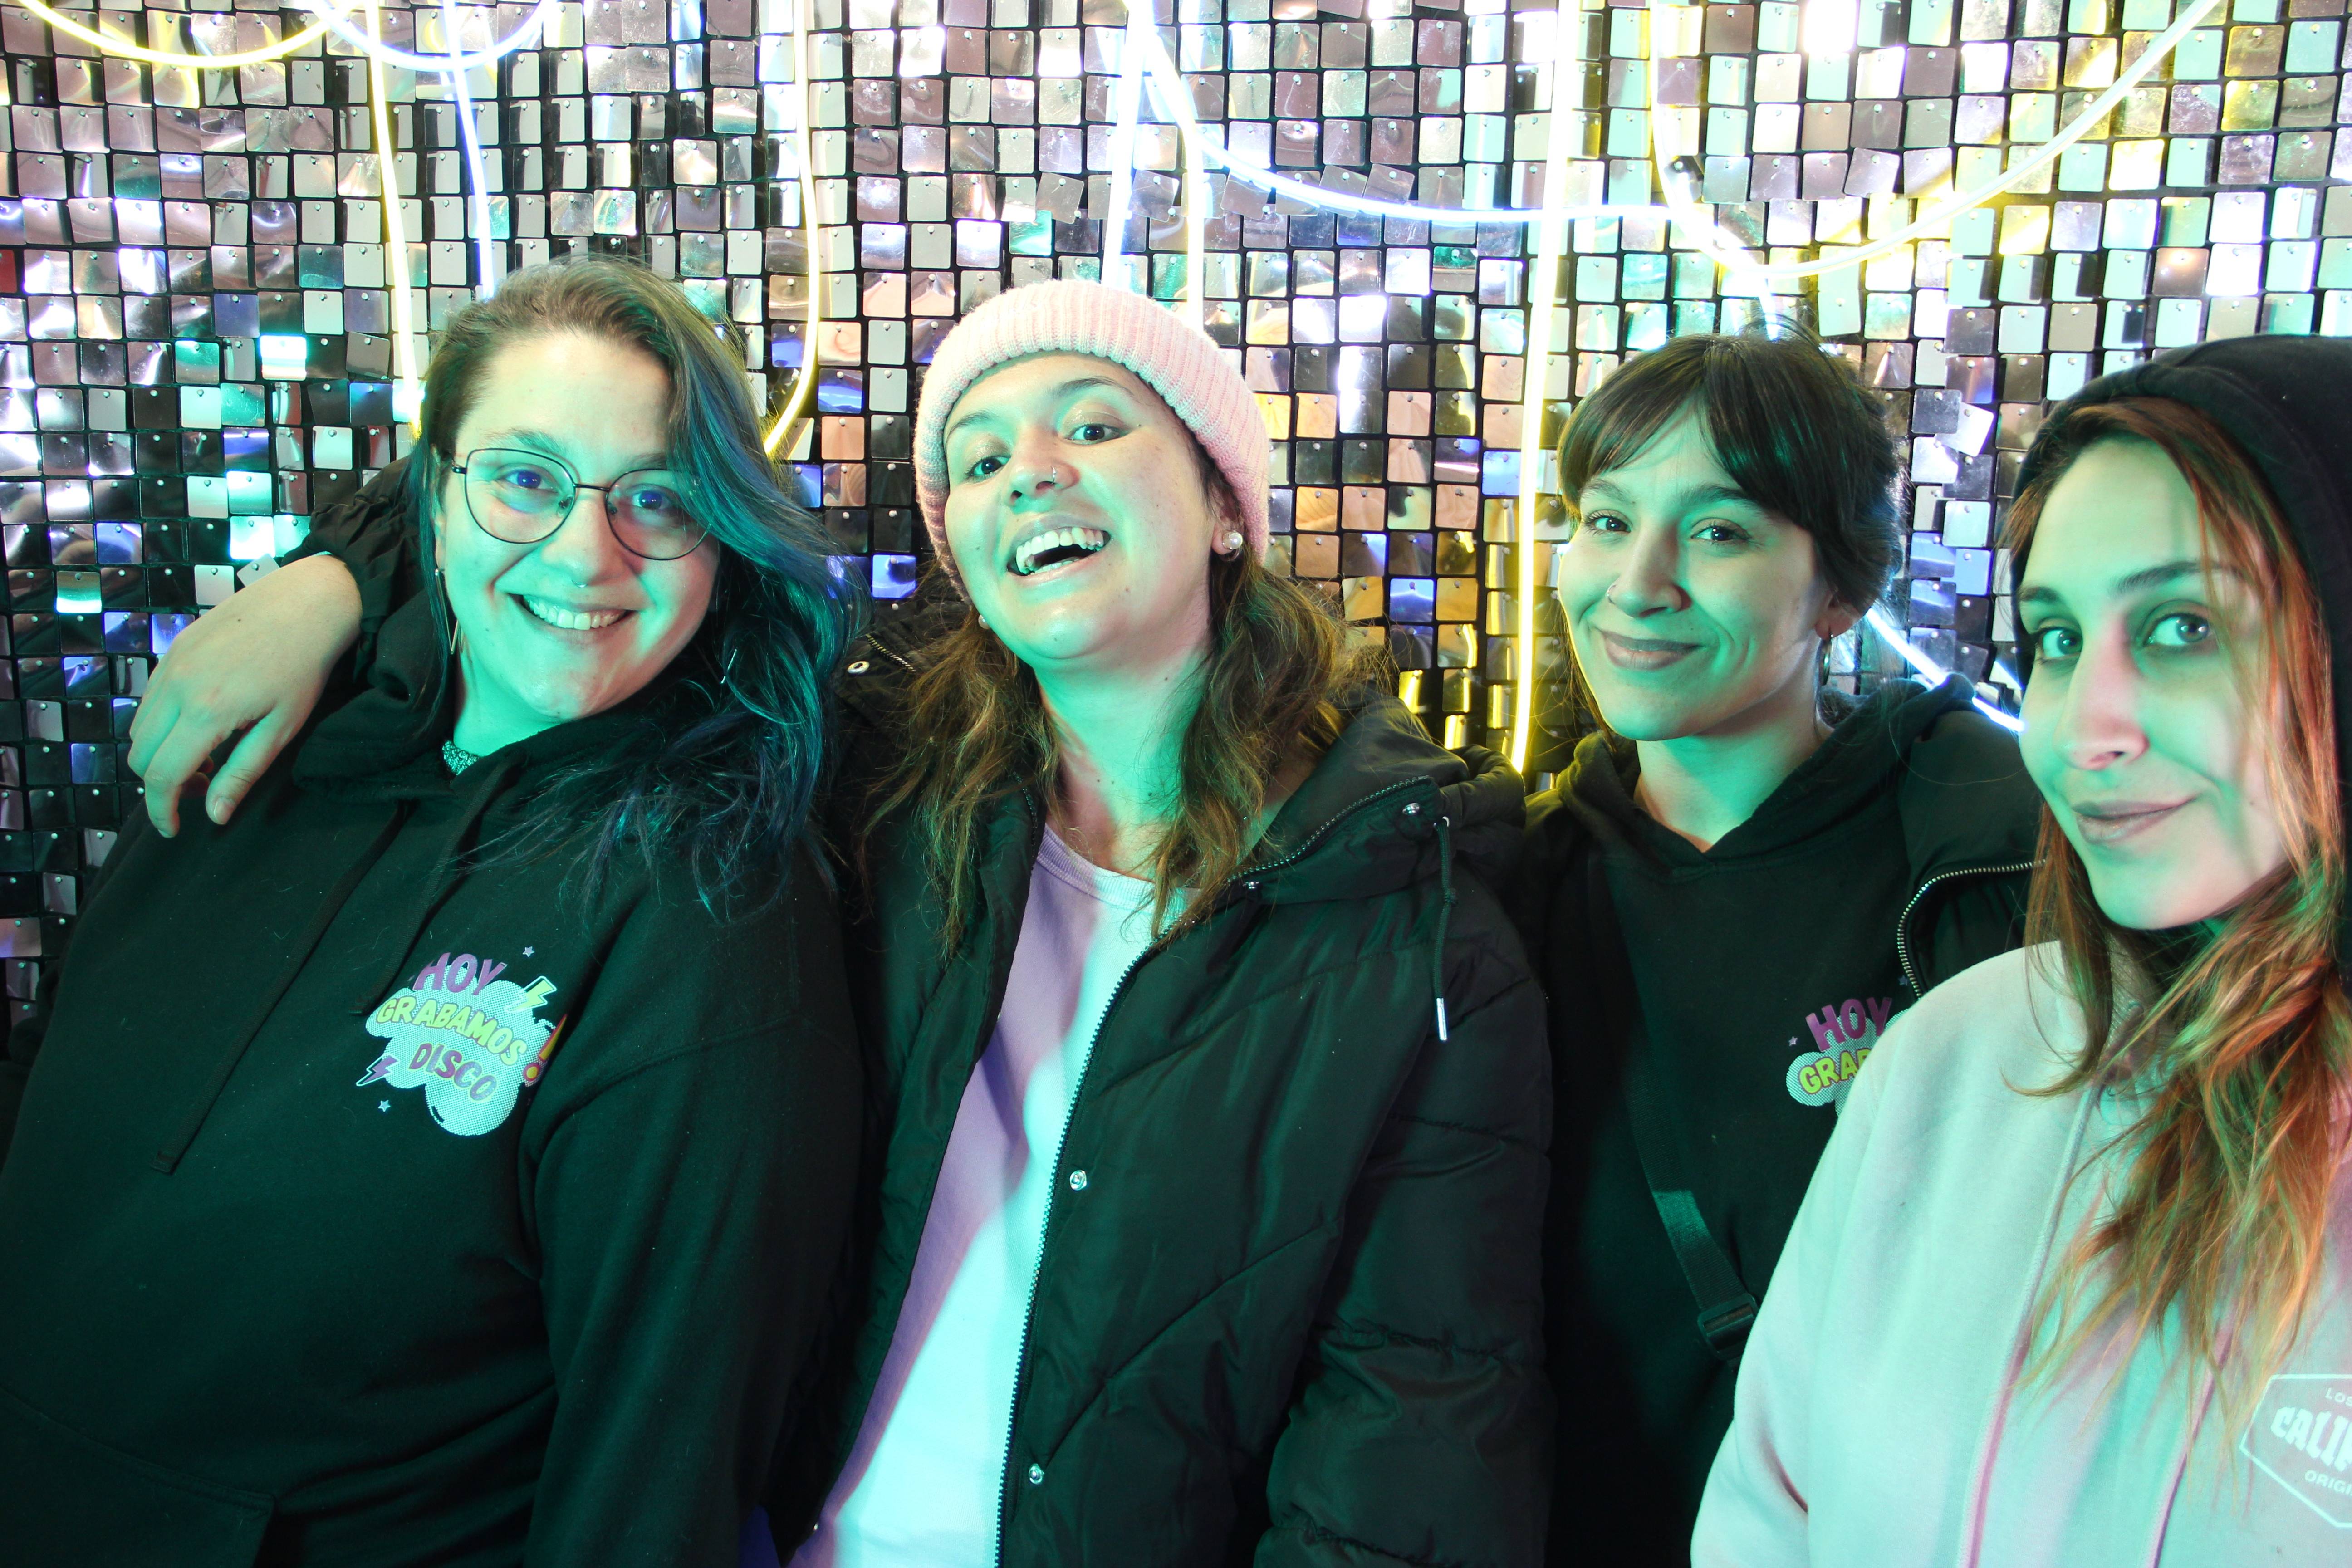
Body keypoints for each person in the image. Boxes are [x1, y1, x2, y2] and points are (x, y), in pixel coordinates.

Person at [123, 279, 1555, 1566]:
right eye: (978, 460)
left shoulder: (1409, 930)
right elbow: (558, 524)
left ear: (1228, 504)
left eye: (1095, 425)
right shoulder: (861, 794)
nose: (1031, 470)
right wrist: (333, 577)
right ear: (966, 560)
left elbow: (1414, 1430)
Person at [0, 259, 862, 1564]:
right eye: (524, 479)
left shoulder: (707, 919)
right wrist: (330, 578)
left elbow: (655, 1476)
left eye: (658, 498)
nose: (585, 553)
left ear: (721, 543)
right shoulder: (253, 746)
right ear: (434, 503)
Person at [1695, 335, 2352, 1564]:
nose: (2080, 728)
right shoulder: (1956, 1053)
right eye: (2055, 639)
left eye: (2183, 627)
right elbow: (1769, 1506)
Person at [1509, 330, 2043, 1563]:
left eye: (1719, 532)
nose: (1637, 583)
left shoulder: (1985, 868)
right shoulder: (1506, 895)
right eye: (1605, 521)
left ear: (1841, 592)